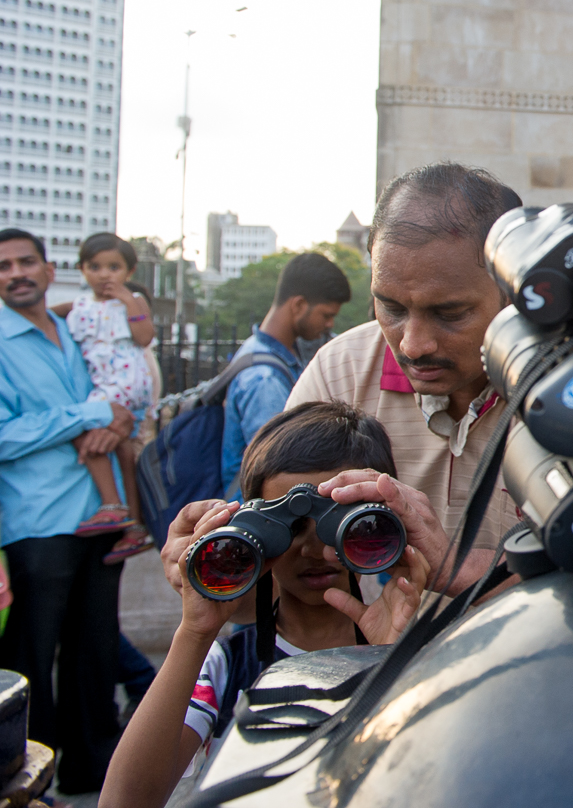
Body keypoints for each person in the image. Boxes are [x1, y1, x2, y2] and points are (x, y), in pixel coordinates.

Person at [98, 401, 429, 808]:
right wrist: (196, 631)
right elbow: (124, 802)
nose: (312, 548)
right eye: (289, 529)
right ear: (253, 527)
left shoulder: (417, 652)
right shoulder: (225, 666)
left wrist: (393, 659)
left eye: (341, 525)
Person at [286, 163, 522, 590]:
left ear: (513, 290)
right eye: (391, 308)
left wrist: (463, 570)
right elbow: (284, 571)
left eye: (449, 313)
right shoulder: (339, 372)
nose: (413, 346)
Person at [0, 228, 135, 794]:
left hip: (99, 514)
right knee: (33, 656)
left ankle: (93, 771)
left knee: (96, 649)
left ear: (50, 269)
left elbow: (116, 386)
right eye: (3, 266)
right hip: (38, 522)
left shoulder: (73, 326)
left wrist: (114, 418)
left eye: (26, 261)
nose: (16, 273)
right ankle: (31, 776)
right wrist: (88, 414)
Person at [52, 233, 157, 562]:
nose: (104, 274)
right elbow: (47, 315)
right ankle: (135, 526)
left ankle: (111, 506)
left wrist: (128, 301)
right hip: (106, 385)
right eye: (94, 267)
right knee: (123, 450)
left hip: (121, 384)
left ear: (128, 270)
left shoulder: (133, 301)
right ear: (82, 269)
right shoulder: (80, 305)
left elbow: (144, 337)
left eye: (114, 267)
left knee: (83, 429)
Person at [221, 251, 350, 499]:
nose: (329, 324)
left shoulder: (260, 350)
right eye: (326, 315)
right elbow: (280, 464)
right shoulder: (264, 379)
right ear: (299, 305)